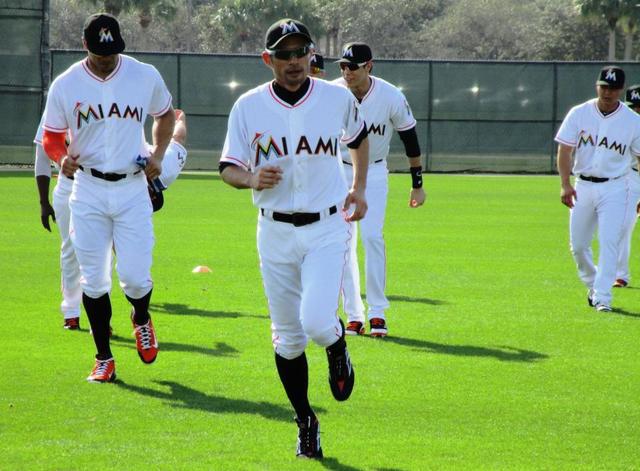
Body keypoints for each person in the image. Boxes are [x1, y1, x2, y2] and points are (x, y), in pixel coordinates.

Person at [219, 18, 369, 459]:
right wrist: (249, 178)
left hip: (326, 224)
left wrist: (359, 188)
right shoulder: (248, 107)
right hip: (274, 229)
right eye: (283, 54)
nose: (293, 61)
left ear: (311, 56)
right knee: (287, 338)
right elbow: (226, 167)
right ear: (268, 60)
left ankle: (337, 343)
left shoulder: (335, 97)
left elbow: (358, 140)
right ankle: (305, 420)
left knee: (317, 323)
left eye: (300, 51)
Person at [41, 13, 175, 382]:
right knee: (94, 280)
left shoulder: (143, 74)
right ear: (85, 46)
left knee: (134, 277)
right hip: (88, 189)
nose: (107, 58)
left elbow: (165, 115)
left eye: (113, 51)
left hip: (132, 187)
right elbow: (51, 135)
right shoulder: (66, 84)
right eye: (100, 52)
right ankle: (104, 357)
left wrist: (159, 155)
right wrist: (59, 158)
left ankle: (141, 317)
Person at [34, 109, 188, 330]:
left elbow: (175, 140)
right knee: (70, 249)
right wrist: (43, 201)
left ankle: (102, 321)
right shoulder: (63, 96)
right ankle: (71, 311)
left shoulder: (114, 99)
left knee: (102, 255)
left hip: (118, 185)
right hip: (72, 184)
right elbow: (42, 151)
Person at [333, 42, 425, 336]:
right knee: (343, 243)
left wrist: (417, 184)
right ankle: (353, 315)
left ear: (369, 66)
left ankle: (377, 313)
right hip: (339, 171)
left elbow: (409, 137)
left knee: (372, 237)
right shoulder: (332, 92)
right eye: (343, 66)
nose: (347, 72)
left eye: (353, 66)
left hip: (373, 171)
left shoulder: (390, 95)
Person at [556, 65, 640, 312]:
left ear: (621, 90)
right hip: (582, 185)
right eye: (604, 87)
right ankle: (594, 284)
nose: (607, 92)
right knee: (579, 246)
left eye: (613, 88)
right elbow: (565, 150)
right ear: (597, 86)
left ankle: (603, 297)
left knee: (609, 241)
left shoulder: (633, 121)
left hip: (616, 187)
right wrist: (564, 184)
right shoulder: (579, 113)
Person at [614, 84, 640, 288]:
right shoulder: (624, 126)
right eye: (633, 106)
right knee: (623, 226)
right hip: (631, 179)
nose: (636, 111)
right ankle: (621, 274)